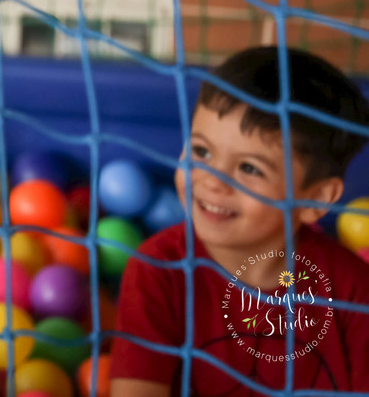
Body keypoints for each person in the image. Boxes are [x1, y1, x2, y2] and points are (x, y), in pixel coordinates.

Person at [111, 46, 369, 396]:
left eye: (249, 168)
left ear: (315, 199)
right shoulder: (158, 270)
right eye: (201, 152)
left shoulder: (352, 289)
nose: (213, 181)